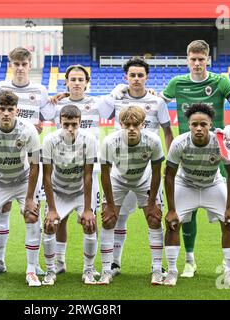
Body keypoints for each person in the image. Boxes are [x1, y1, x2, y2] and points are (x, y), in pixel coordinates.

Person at [159, 40, 230, 278]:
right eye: (193, 59)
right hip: (186, 152)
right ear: (187, 59)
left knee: (225, 211)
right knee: (185, 214)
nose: (197, 63)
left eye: (201, 59)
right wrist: (167, 132)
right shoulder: (177, 83)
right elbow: (157, 105)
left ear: (207, 59)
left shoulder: (220, 81)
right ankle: (189, 260)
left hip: (215, 150)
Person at [99, 57, 173, 277]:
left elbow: (168, 131)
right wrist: (113, 93)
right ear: (126, 77)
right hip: (119, 168)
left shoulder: (157, 102)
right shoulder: (117, 99)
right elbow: (99, 112)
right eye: (132, 75)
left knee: (153, 215)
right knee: (115, 216)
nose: (136, 79)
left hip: (146, 168)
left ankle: (157, 267)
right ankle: (113, 264)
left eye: (141, 75)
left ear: (147, 77)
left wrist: (170, 161)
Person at [163, 103, 230, 288]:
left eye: (203, 124)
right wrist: (172, 209)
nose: (199, 128)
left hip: (212, 184)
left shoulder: (220, 141)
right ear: (188, 124)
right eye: (194, 124)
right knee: (173, 224)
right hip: (185, 184)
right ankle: (172, 271)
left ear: (211, 124)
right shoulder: (179, 143)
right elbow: (169, 175)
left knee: (229, 222)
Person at [0, 47, 51, 276]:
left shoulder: (40, 89)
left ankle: (34, 264)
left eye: (24, 64)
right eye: (16, 63)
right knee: (2, 209)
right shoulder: (0, 87)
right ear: (10, 64)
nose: (20, 68)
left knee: (32, 211)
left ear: (30, 65)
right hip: (3, 160)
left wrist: (58, 98)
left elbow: (50, 114)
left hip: (29, 162)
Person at [0, 90, 41, 287]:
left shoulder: (28, 130)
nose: (5, 113)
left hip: (24, 179)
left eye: (10, 109)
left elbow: (35, 165)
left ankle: (31, 270)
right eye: (2, 109)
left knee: (31, 215)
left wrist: (30, 199)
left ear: (16, 111)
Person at [44, 64, 105, 276]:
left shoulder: (98, 102)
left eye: (81, 79)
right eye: (73, 79)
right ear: (66, 82)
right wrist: (58, 97)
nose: (77, 83)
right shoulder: (55, 104)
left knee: (90, 219)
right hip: (62, 167)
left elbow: (122, 95)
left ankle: (90, 267)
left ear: (87, 83)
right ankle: (59, 262)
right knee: (60, 220)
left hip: (89, 167)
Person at [99, 106, 165, 285]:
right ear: (120, 124)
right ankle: (106, 270)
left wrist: (152, 203)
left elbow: (158, 172)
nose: (131, 129)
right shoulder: (110, 142)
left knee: (154, 219)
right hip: (118, 179)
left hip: (144, 179)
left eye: (136, 124)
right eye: (127, 124)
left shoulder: (153, 140)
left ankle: (157, 269)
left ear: (143, 124)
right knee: (109, 220)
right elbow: (105, 173)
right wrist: (111, 206)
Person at [41, 105, 98, 285]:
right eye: (66, 125)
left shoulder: (89, 139)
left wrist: (88, 209)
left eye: (74, 124)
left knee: (90, 224)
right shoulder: (50, 140)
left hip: (81, 190)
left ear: (80, 122)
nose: (70, 129)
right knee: (51, 224)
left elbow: (88, 175)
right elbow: (47, 176)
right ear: (60, 123)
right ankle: (54, 268)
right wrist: (51, 208)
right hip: (58, 190)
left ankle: (88, 270)